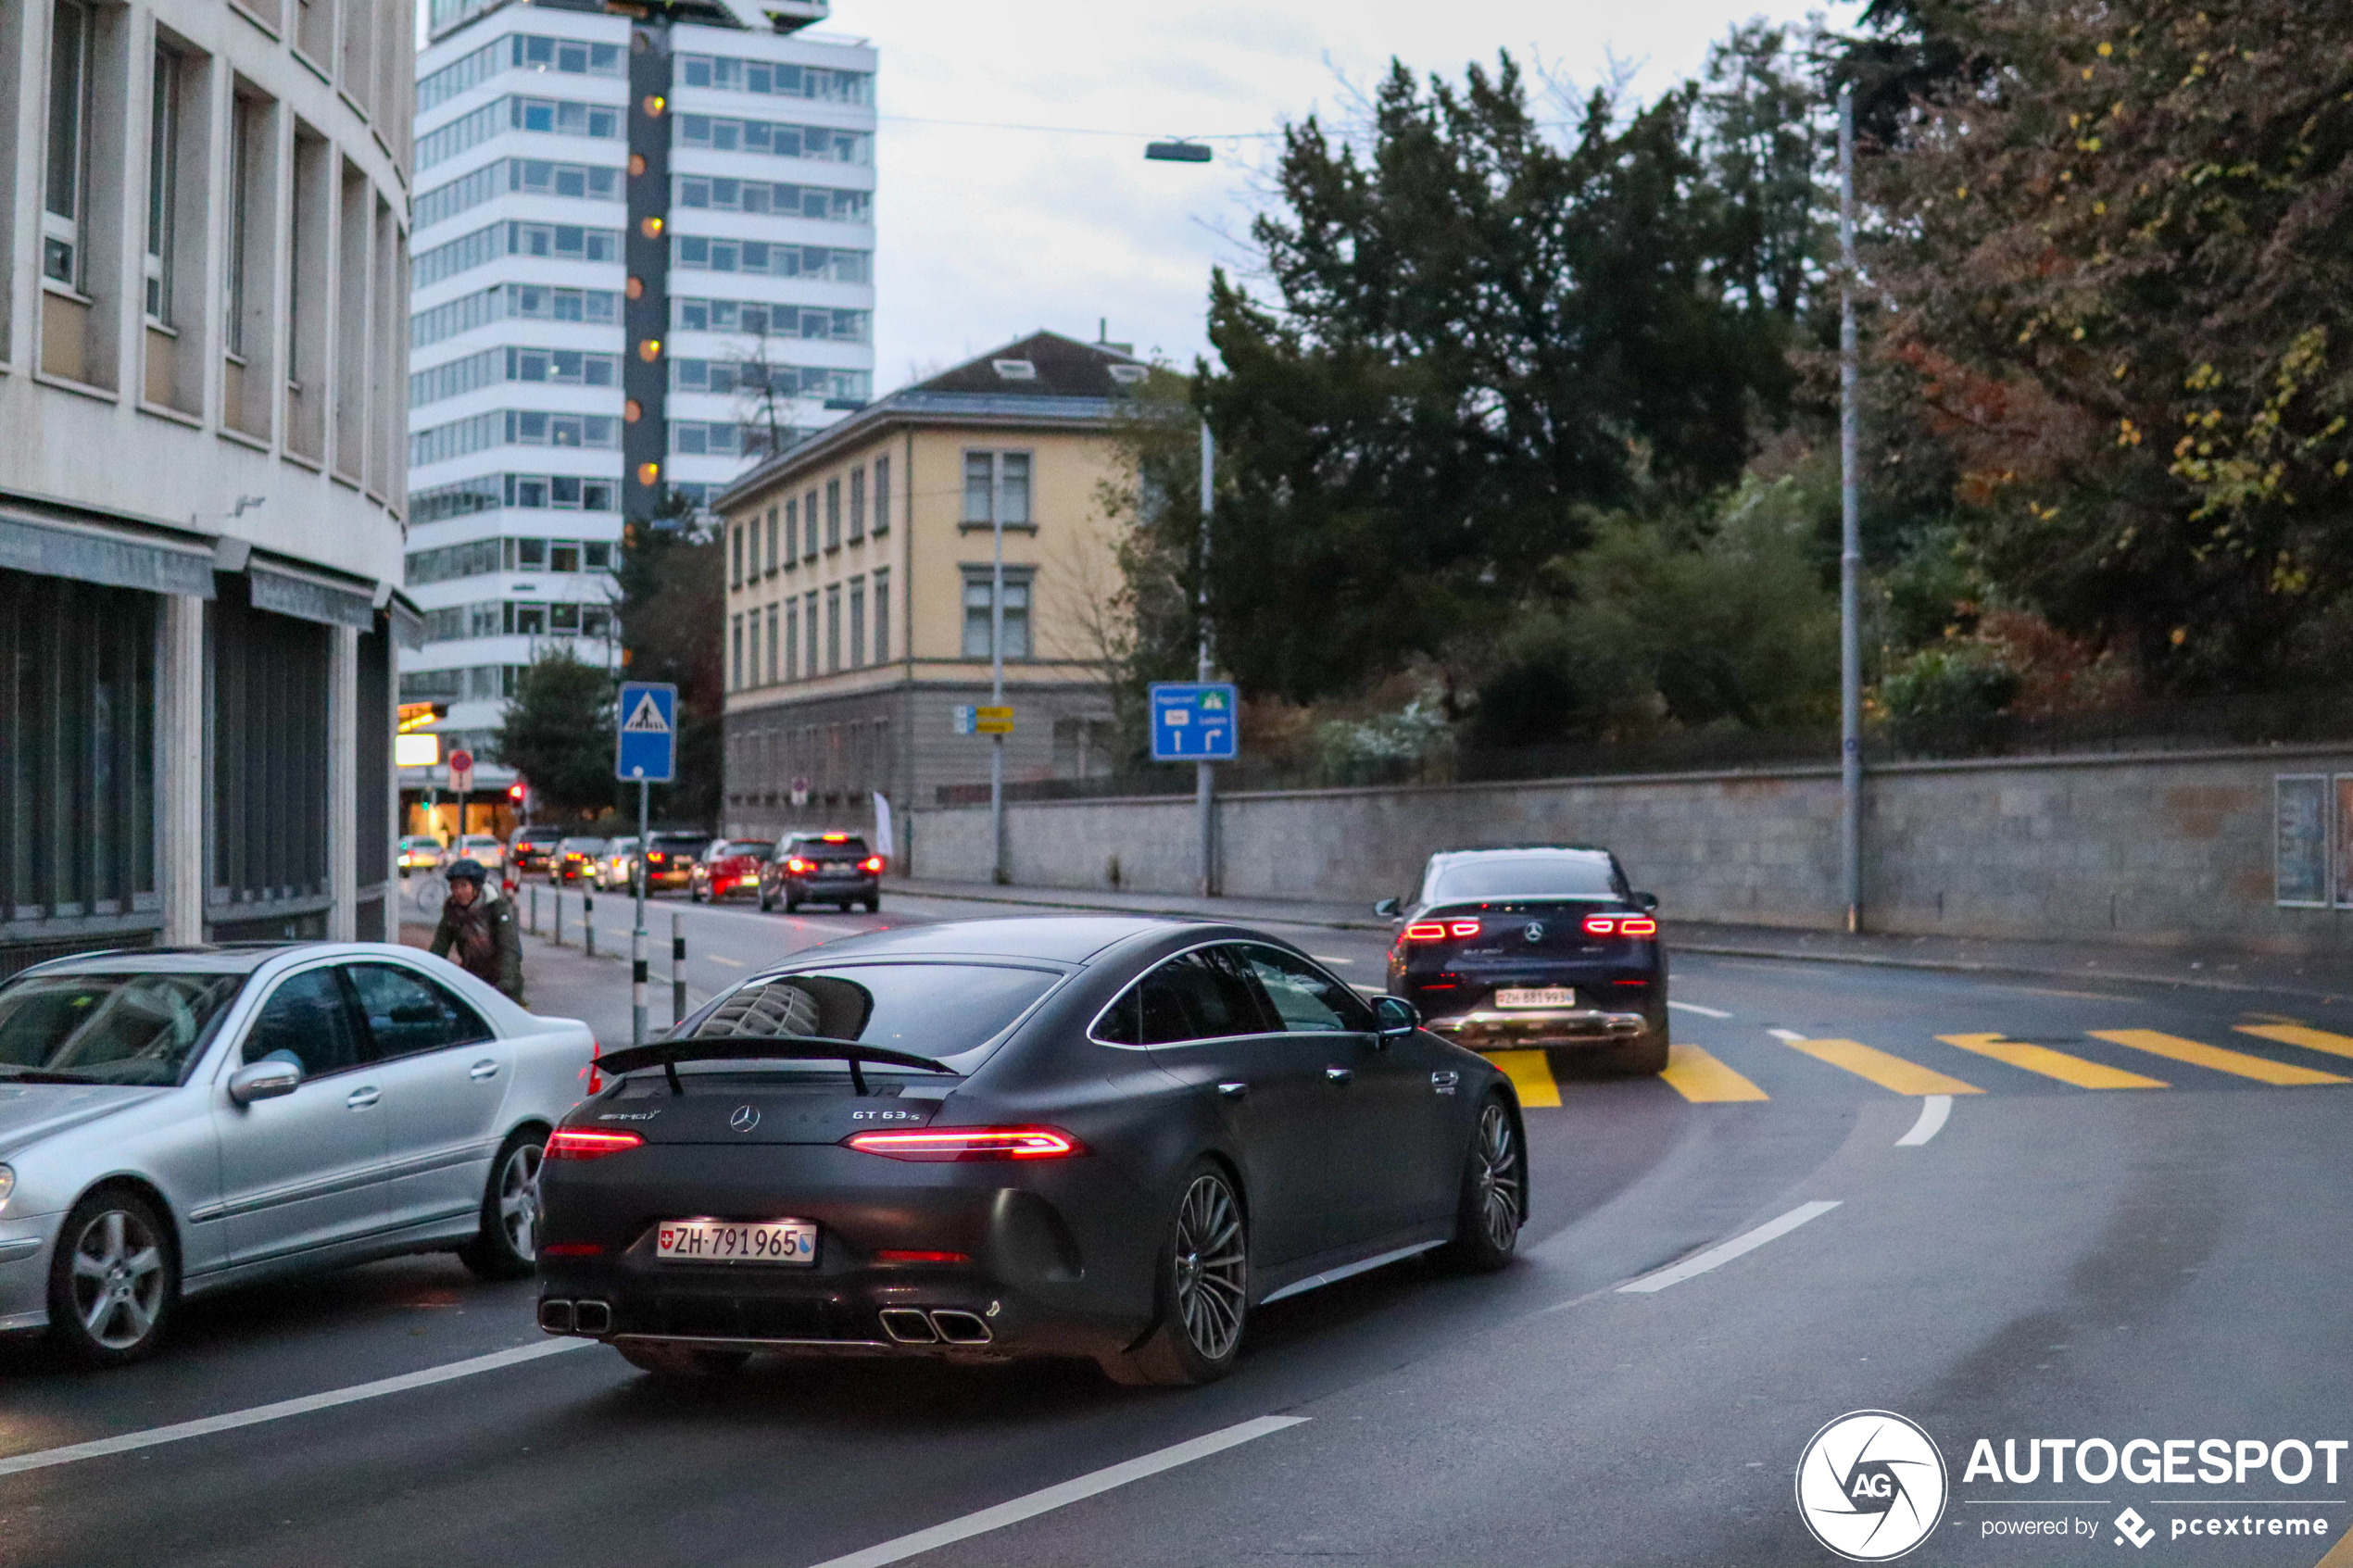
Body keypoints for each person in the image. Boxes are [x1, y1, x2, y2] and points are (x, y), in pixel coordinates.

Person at [429, 858, 526, 1005]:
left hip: (502, 983)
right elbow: (440, 945)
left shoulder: (496, 908)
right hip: (473, 980)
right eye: (454, 887)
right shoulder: (453, 911)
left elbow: (509, 948)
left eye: (463, 886)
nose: (458, 892)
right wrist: (429, 973)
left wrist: (505, 983)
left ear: (476, 887)